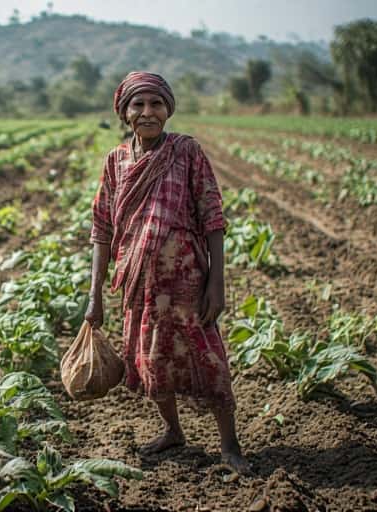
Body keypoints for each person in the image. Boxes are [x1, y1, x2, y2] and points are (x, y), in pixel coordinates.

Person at [84, 71, 250, 473]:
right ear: (124, 114)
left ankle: (229, 445)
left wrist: (217, 282)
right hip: (138, 283)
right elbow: (102, 228)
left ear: (168, 109)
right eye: (137, 105)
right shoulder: (116, 162)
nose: (147, 112)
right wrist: (94, 296)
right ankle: (173, 431)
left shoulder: (186, 151)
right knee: (151, 360)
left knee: (209, 360)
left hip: (187, 281)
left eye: (155, 104)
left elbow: (212, 216)